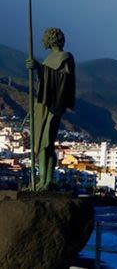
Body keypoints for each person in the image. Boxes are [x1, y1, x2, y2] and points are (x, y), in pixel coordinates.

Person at [26, 27, 76, 190]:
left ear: (51, 39)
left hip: (54, 105)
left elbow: (62, 80)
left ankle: (48, 180)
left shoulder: (65, 57)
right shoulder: (49, 58)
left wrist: (40, 68)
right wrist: (38, 69)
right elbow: (46, 80)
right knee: (40, 144)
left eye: (45, 38)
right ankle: (41, 180)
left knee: (47, 142)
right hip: (42, 105)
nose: (42, 41)